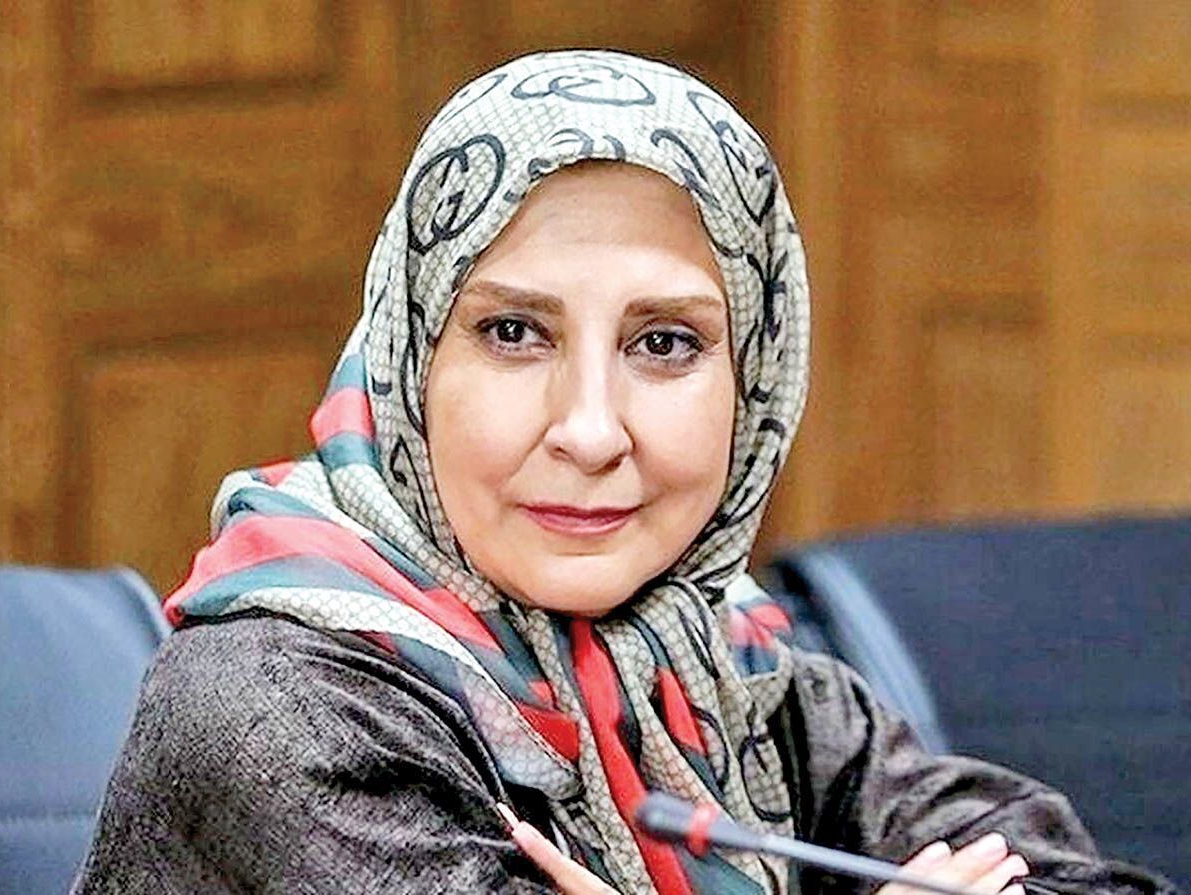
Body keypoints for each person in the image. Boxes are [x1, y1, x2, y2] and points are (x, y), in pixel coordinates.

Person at [74, 50, 1175, 895]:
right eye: (513, 332)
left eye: (664, 343)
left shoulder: (723, 665)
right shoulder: (273, 710)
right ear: (409, 361)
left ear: (755, 383)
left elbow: (1059, 871)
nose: (592, 430)